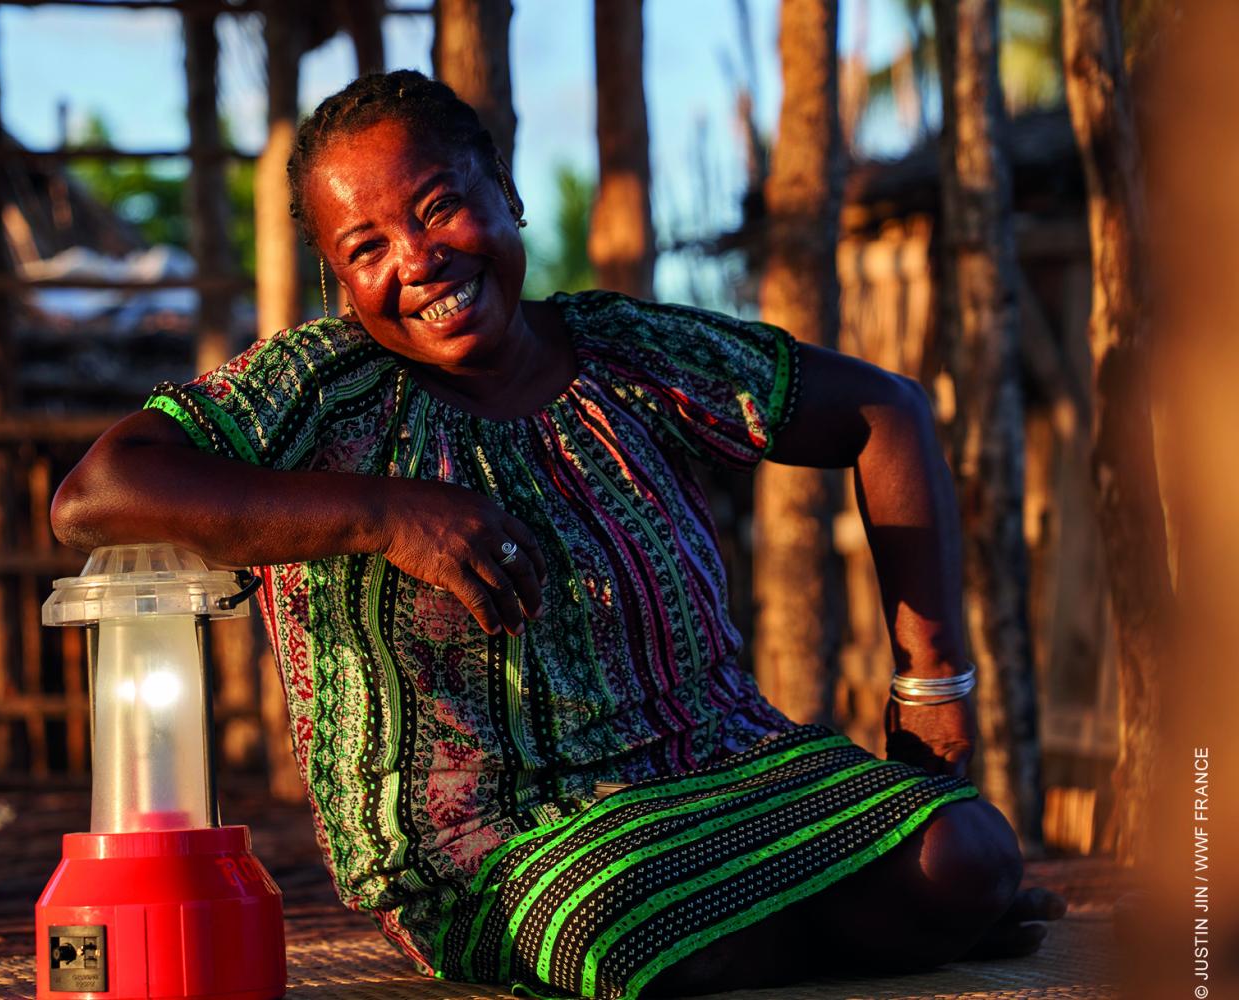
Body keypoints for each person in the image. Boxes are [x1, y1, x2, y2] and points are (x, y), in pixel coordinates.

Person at [52, 70, 1066, 999]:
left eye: (439, 205)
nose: (417, 259)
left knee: (966, 853)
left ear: (506, 193)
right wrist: (383, 513)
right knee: (608, 928)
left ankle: (862, 916)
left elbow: (882, 412)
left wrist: (929, 681)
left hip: (724, 769)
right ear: (337, 278)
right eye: (366, 248)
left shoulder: (627, 353)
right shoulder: (318, 389)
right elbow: (96, 492)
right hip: (489, 848)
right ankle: (872, 924)